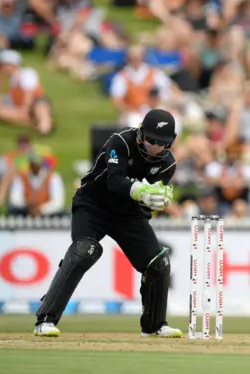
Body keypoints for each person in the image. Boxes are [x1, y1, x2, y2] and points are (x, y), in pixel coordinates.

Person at [33, 109, 182, 338]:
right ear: (141, 133)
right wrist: (141, 191)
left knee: (158, 262)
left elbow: (146, 204)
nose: (154, 147)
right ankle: (45, 319)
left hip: (128, 214)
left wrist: (156, 200)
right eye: (151, 140)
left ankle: (154, 325)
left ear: (170, 143)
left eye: (161, 143)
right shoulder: (121, 141)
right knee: (84, 250)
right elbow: (114, 181)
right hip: (93, 205)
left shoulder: (168, 165)